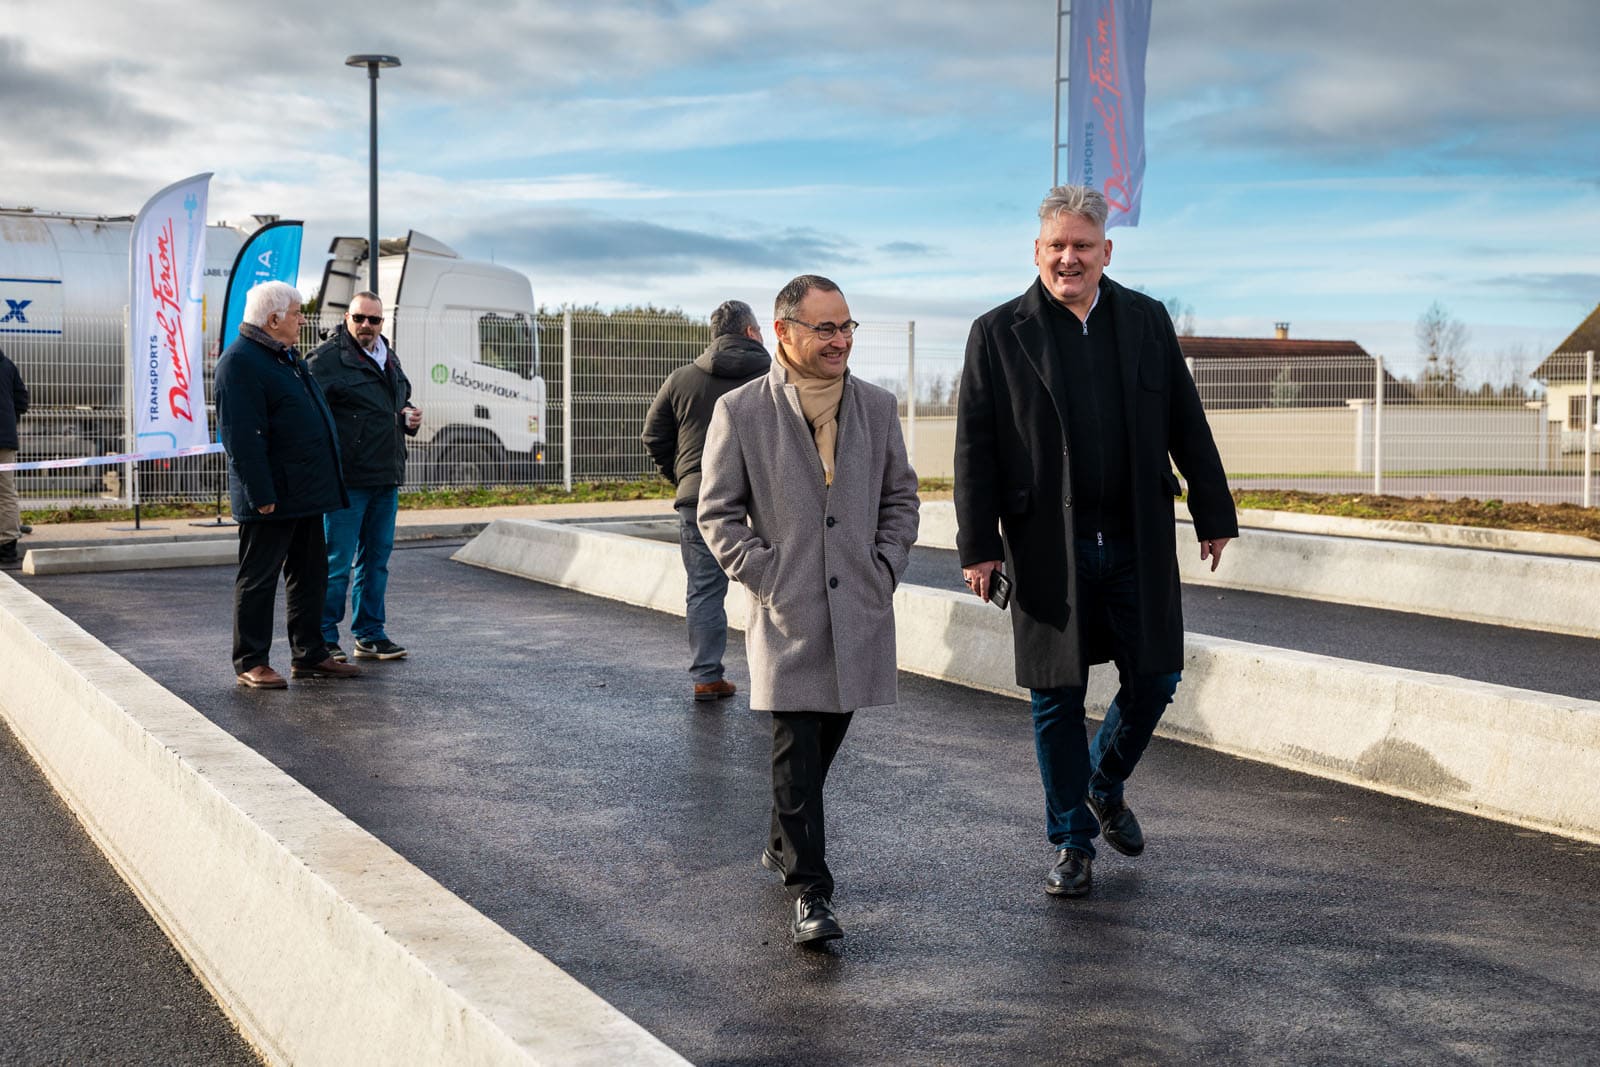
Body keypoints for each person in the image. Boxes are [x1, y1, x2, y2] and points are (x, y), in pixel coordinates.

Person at [954, 185, 1237, 898]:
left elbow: (1185, 417)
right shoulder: (997, 332)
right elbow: (974, 447)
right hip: (1046, 542)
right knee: (1056, 692)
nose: (1069, 258)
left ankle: (1102, 781)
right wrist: (976, 545)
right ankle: (1072, 843)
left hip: (1136, 535)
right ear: (1038, 252)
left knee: (1158, 674)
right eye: (1057, 246)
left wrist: (1212, 508)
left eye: (1083, 245)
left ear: (1107, 251)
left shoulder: (1144, 319)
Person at [699, 275, 919, 946]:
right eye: (825, 327)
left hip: (858, 608)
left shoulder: (878, 407)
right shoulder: (741, 411)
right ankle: (811, 892)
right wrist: (766, 575)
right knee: (796, 744)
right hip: (788, 612)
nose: (840, 339)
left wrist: (884, 567)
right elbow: (717, 512)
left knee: (826, 738)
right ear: (785, 332)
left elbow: (901, 499)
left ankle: (781, 839)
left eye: (848, 326)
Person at [216, 282, 361, 689]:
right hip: (273, 496)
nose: (302, 319)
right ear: (274, 318)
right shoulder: (240, 363)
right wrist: (261, 495)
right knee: (259, 577)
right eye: (297, 312)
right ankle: (251, 660)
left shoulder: (283, 357)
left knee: (309, 574)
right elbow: (241, 437)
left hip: (305, 492)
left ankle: (310, 653)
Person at [641, 299, 771, 700]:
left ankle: (706, 677)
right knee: (774, 585)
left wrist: (684, 479)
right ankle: (775, 675)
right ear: (750, 332)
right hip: (764, 498)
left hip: (697, 500)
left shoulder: (681, 380)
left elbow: (653, 437)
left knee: (703, 590)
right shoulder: (773, 377)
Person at [307, 291, 421, 662]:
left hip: (386, 477)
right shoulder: (326, 360)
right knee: (336, 562)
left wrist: (407, 415)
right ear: (346, 318)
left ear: (382, 323)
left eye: (374, 320)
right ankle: (323, 637)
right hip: (347, 481)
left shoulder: (387, 356)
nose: (366, 326)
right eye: (359, 318)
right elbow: (306, 411)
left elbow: (397, 400)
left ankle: (370, 634)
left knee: (376, 561)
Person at [0, 346, 27, 566]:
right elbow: (22, 400)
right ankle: (8, 545)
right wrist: (9, 421)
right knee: (6, 492)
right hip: (5, 440)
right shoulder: (8, 365)